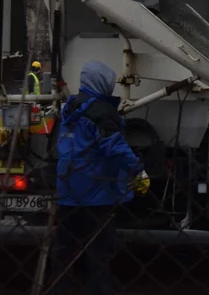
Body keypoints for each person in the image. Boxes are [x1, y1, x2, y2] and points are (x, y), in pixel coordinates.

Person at [54, 61, 147, 295]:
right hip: (96, 192)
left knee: (64, 251)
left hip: (67, 190)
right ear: (103, 82)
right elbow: (114, 147)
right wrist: (138, 170)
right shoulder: (102, 113)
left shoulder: (71, 106)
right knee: (99, 253)